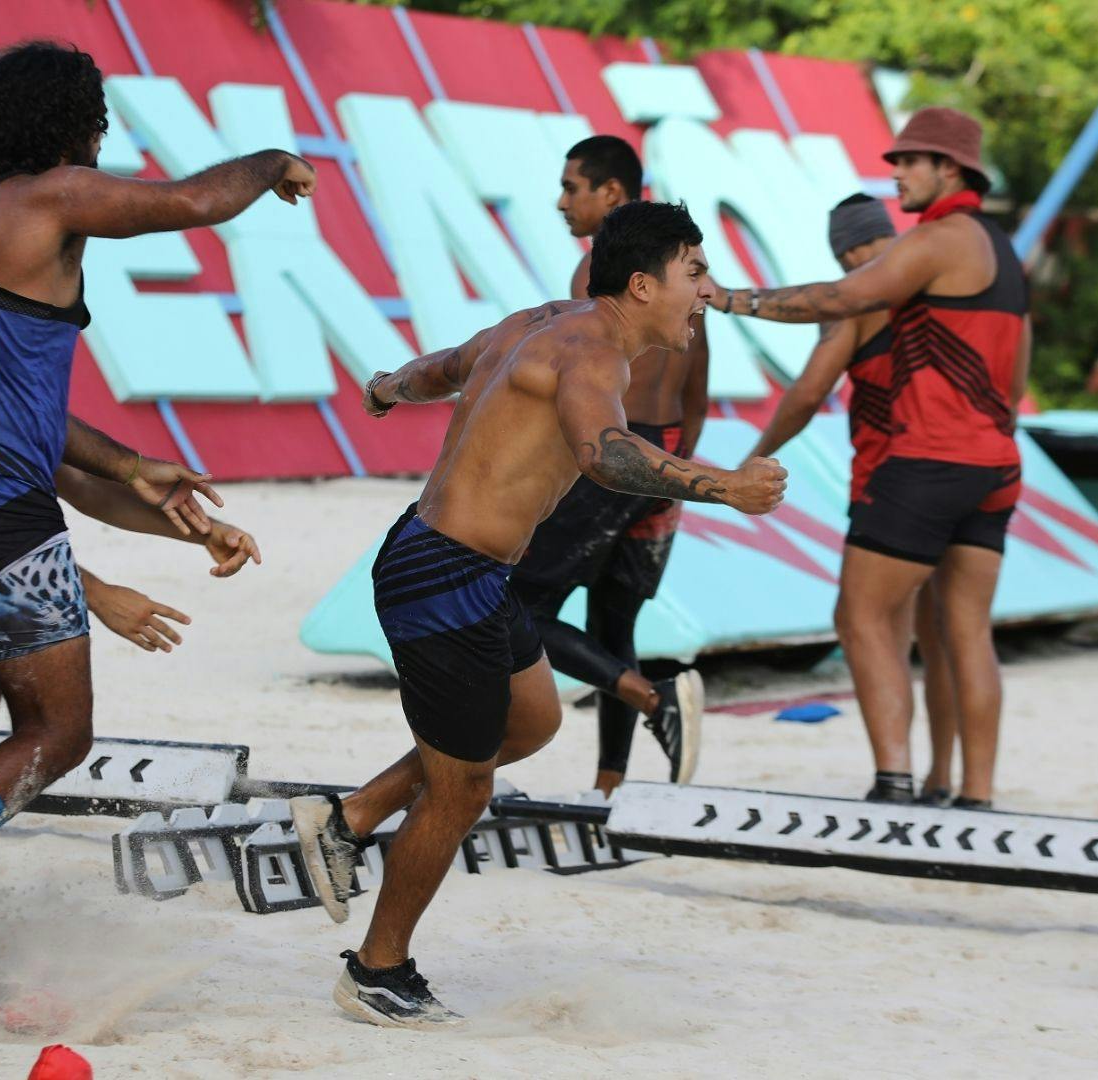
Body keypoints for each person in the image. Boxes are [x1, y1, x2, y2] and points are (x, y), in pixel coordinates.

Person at [0, 40, 315, 1023]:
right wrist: (273, 162)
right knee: (59, 733)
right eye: (99, 126)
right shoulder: (54, 196)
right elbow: (192, 203)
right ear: (78, 128)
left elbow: (18, 411)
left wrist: (134, 469)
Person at [290, 201, 785, 1029]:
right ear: (643, 284)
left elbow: (447, 367)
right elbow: (605, 454)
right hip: (443, 579)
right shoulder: (595, 354)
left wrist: (385, 388)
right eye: (695, 273)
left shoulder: (540, 320)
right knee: (463, 789)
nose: (707, 291)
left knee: (532, 720)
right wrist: (725, 487)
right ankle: (377, 969)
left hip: (465, 569)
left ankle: (350, 817)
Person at [706, 108, 1027, 809]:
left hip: (916, 467)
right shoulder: (1002, 253)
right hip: (993, 465)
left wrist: (727, 298)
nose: (897, 172)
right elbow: (1017, 376)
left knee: (863, 618)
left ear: (949, 169)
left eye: (910, 160)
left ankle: (894, 784)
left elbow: (834, 321)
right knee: (961, 633)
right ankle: (970, 794)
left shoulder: (931, 245)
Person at [745, 195, 962, 806]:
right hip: (967, 473)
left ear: (844, 252)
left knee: (867, 623)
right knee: (943, 635)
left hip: (890, 481)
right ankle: (945, 778)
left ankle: (894, 776)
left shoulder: (858, 299)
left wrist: (755, 456)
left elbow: (809, 392)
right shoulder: (945, 291)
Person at [520, 134, 711, 797]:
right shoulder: (686, 275)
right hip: (666, 452)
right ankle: (611, 788)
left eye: (571, 188)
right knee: (614, 623)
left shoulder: (598, 274)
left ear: (611, 193)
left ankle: (655, 699)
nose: (561, 202)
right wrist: (673, 475)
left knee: (516, 606)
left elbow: (581, 383)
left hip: (615, 448)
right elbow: (698, 392)